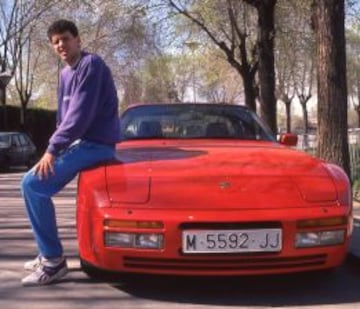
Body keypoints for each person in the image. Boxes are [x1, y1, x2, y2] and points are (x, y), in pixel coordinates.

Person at [21, 19, 120, 286]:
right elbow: (64, 118)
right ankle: (47, 253)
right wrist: (54, 147)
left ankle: (54, 262)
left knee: (32, 185)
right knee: (31, 185)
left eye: (65, 38)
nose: (61, 45)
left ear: (78, 39)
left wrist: (53, 149)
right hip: (79, 144)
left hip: (97, 144)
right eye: (56, 42)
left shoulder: (92, 65)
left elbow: (80, 116)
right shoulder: (65, 74)